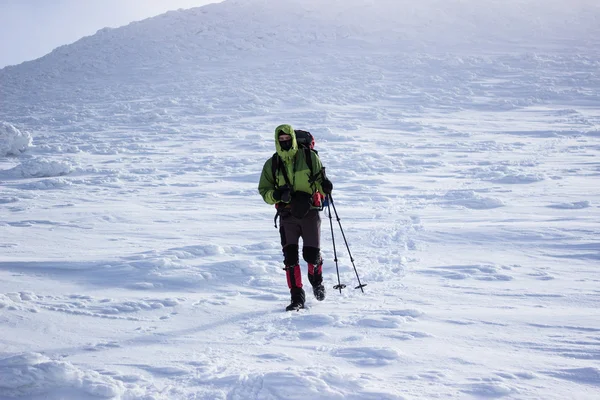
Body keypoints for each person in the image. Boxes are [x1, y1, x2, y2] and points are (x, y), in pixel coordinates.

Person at [258, 124, 333, 311]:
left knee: (311, 255)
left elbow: (318, 181)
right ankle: (297, 297)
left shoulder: (309, 157)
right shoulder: (272, 164)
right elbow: (264, 190)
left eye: (287, 139)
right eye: (280, 140)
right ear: (277, 141)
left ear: (292, 139)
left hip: (310, 213)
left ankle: (316, 280)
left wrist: (325, 186)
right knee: (290, 259)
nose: (284, 142)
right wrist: (276, 196)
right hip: (287, 215)